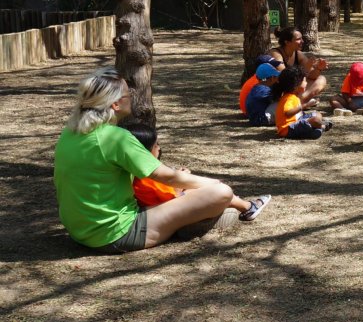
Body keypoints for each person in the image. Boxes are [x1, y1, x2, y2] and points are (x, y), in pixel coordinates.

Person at [53, 67, 242, 253]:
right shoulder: (115, 137)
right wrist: (212, 182)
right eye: (128, 95)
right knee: (221, 192)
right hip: (117, 234)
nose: (132, 98)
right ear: (115, 104)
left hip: (79, 232)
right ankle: (190, 224)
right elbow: (166, 177)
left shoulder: (69, 133)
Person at [123, 123, 271, 221]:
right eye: (156, 145)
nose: (159, 148)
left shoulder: (131, 171)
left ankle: (243, 205)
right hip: (164, 214)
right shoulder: (147, 176)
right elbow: (171, 199)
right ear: (146, 151)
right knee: (208, 191)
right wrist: (180, 185)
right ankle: (247, 207)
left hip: (158, 209)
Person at [270, 27, 328, 107]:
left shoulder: (298, 54)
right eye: (298, 39)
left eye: (302, 38)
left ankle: (299, 102)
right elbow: (285, 78)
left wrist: (318, 68)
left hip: (292, 90)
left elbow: (312, 75)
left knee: (321, 79)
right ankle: (297, 104)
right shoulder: (276, 54)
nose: (302, 41)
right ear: (287, 42)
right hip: (279, 90)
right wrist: (305, 69)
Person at [273, 67, 332, 139]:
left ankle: (317, 128)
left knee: (317, 114)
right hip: (288, 129)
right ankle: (322, 127)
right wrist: (306, 105)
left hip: (297, 121)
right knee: (315, 120)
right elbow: (288, 113)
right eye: (304, 81)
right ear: (296, 85)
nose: (306, 83)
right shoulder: (288, 98)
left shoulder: (294, 96)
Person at [245, 62, 280, 127]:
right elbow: (277, 98)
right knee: (281, 103)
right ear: (272, 78)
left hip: (254, 118)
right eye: (276, 77)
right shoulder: (264, 91)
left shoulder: (256, 87)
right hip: (261, 120)